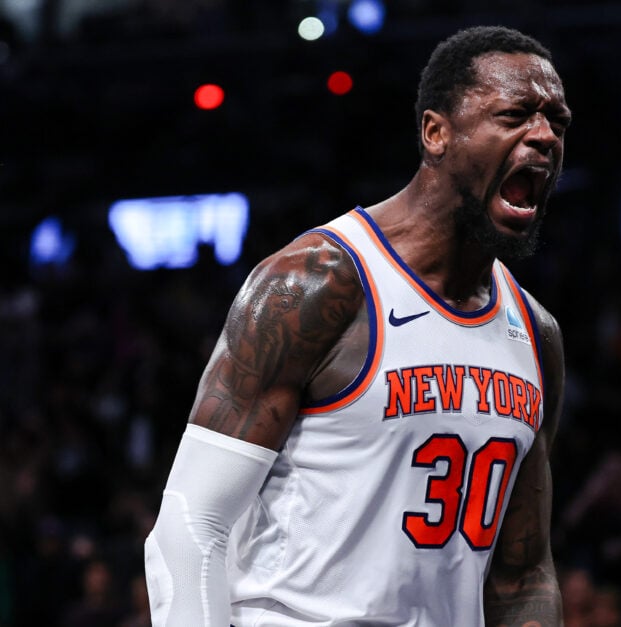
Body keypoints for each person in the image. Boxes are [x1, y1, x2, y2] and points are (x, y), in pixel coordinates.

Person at [143, 24, 572, 626]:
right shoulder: (318, 285)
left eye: (558, 122)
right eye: (515, 115)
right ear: (436, 133)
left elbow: (522, 574)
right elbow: (192, 525)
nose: (545, 136)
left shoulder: (535, 334)